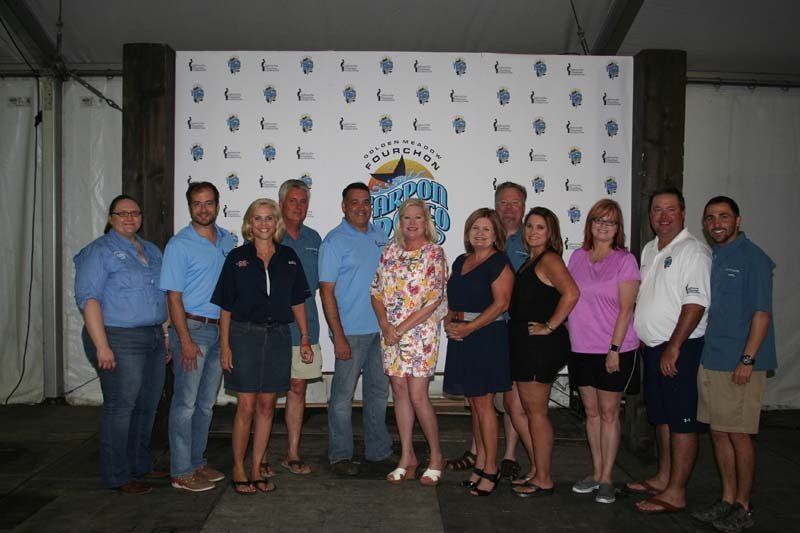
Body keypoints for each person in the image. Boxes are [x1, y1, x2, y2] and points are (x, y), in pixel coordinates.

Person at [212, 198, 313, 495]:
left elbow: (298, 301)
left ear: (276, 223)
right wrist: (225, 346)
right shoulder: (237, 258)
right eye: (258, 218)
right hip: (243, 337)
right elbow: (225, 307)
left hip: (279, 337)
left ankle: (257, 468)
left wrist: (305, 337)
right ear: (249, 223)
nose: (264, 223)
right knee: (246, 405)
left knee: (268, 405)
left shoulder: (289, 257)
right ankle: (239, 468)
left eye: (269, 218)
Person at [691, 197, 776, 532]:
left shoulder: (754, 259)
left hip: (740, 364)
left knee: (739, 435)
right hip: (712, 358)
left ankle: (743, 505)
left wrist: (747, 359)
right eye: (710, 218)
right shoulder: (713, 257)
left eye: (724, 217)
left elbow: (762, 314)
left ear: (738, 220)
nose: (717, 224)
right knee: (718, 432)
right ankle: (727, 500)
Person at [75, 194, 169, 495]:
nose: (130, 218)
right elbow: (89, 299)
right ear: (111, 218)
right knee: (121, 406)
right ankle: (118, 474)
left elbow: (162, 295)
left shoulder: (151, 250)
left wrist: (165, 335)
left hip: (153, 335)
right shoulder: (98, 251)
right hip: (117, 336)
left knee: (147, 406)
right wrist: (102, 346)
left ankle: (140, 465)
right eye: (122, 213)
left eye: (135, 213)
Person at [631, 187, 711, 513]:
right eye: (657, 210)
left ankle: (676, 492)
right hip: (653, 348)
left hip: (680, 348)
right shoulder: (650, 249)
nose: (663, 217)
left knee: (682, 421)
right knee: (662, 417)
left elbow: (696, 303)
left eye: (670, 209)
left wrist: (674, 346)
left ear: (683, 213)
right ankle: (664, 478)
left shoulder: (694, 251)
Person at [160, 181, 237, 492]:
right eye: (197, 204)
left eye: (209, 203)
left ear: (217, 205)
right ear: (189, 206)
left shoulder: (229, 240)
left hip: (221, 329)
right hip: (192, 329)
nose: (203, 209)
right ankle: (180, 471)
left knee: (206, 404)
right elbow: (173, 297)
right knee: (186, 404)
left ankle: (196, 461)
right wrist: (184, 339)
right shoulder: (179, 245)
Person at [566, 199, 640, 504]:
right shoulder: (577, 257)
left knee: (609, 413)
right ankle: (596, 473)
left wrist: (614, 349)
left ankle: (608, 478)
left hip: (614, 349)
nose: (604, 226)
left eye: (610, 222)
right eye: (599, 220)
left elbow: (626, 309)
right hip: (581, 348)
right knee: (592, 413)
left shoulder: (625, 260)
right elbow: (568, 298)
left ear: (618, 227)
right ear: (590, 224)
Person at [370, 198, 448, 485]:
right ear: (399, 222)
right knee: (399, 393)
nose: (412, 223)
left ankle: (436, 456)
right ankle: (407, 457)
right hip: (391, 334)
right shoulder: (389, 252)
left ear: (426, 222)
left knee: (418, 396)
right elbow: (376, 291)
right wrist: (385, 325)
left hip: (420, 334)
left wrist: (400, 329)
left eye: (418, 217)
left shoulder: (434, 253)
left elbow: (434, 298)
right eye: (406, 217)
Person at [319, 182, 393, 476]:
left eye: (366, 202)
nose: (361, 207)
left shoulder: (380, 236)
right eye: (355, 202)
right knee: (342, 398)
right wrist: (338, 335)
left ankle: (378, 450)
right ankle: (340, 455)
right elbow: (326, 291)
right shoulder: (334, 241)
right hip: (349, 332)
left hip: (382, 330)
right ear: (344, 206)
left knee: (378, 393)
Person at [443, 208, 514, 496]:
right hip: (462, 336)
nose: (480, 234)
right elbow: (453, 299)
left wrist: (470, 328)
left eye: (486, 229)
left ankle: (491, 469)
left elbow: (501, 304)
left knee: (484, 405)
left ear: (496, 234)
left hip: (486, 337)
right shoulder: (462, 261)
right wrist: (449, 320)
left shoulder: (500, 263)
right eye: (475, 228)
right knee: (474, 404)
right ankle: (480, 464)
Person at [509, 207, 580, 497]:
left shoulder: (549, 259)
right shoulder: (531, 260)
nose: (533, 232)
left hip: (539, 347)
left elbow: (572, 293)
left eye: (540, 227)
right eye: (529, 226)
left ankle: (545, 478)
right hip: (525, 345)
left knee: (536, 413)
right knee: (522, 410)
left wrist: (550, 326)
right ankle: (537, 470)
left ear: (551, 232)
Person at [259, 179, 323, 477]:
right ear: (281, 203)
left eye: (303, 201)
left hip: (306, 327)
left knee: (298, 388)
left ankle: (293, 453)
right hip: (270, 328)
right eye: (293, 201)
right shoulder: (268, 234)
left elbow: (321, 285)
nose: (298, 206)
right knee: (267, 393)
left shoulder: (314, 238)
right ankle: (260, 457)